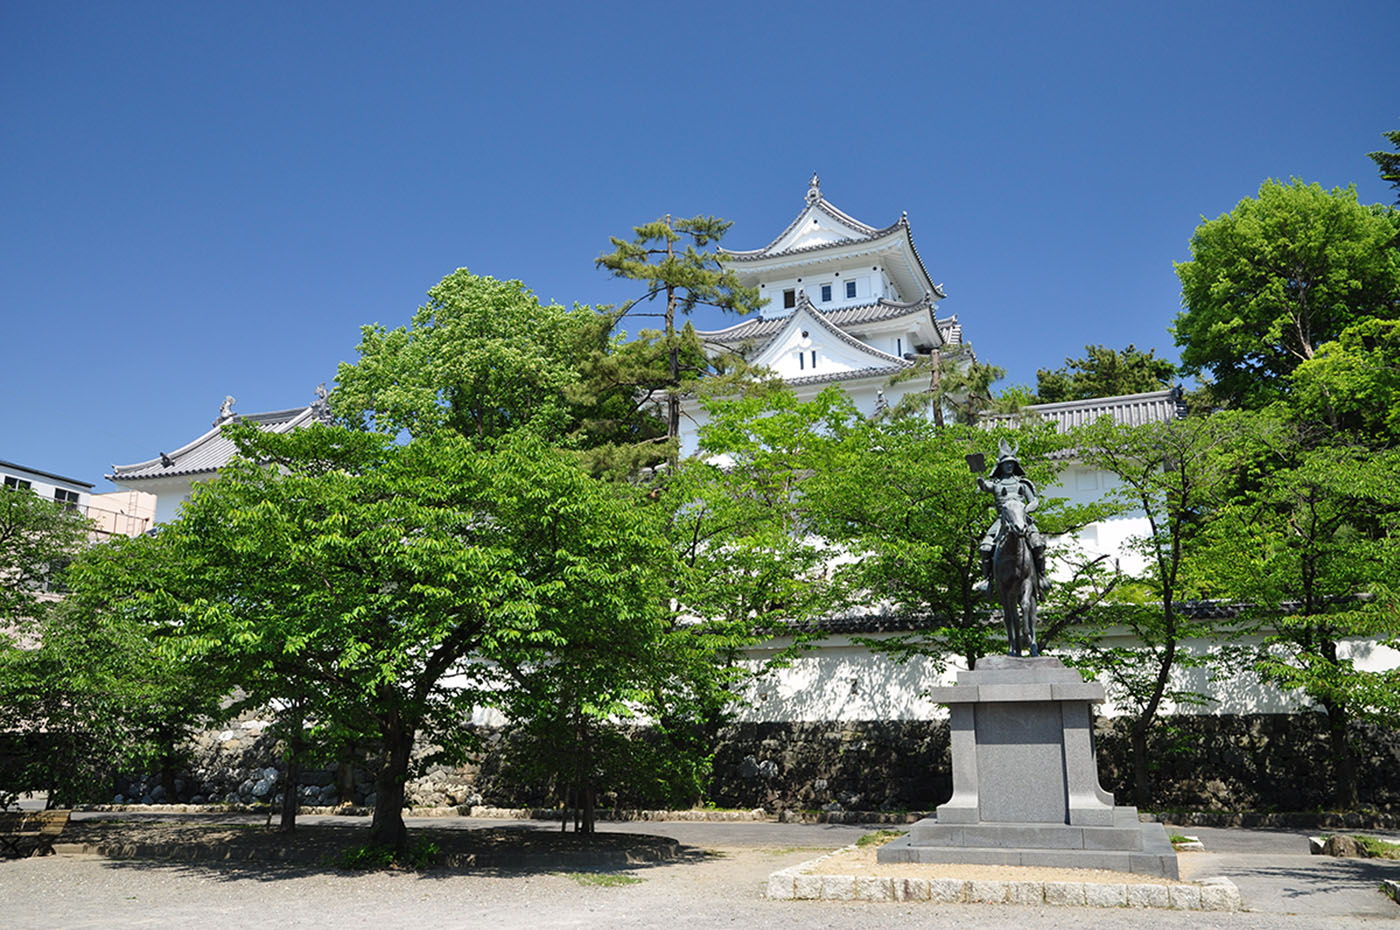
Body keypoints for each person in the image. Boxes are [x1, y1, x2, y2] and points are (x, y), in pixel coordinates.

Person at [973, 444, 1049, 595]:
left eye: (1011, 463)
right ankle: (988, 580)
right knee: (985, 547)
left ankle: (1041, 576)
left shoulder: (1022, 483)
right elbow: (985, 487)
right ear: (1000, 466)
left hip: (1022, 518)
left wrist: (1026, 510)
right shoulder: (996, 485)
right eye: (1006, 463)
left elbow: (1034, 501)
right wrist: (980, 479)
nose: (1009, 466)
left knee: (1038, 544)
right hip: (1003, 520)